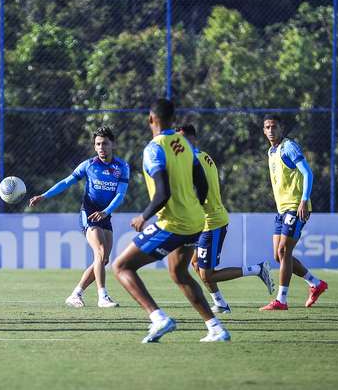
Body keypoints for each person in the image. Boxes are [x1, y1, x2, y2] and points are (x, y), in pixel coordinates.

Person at [113, 99, 230, 343]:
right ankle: (216, 328)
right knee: (179, 273)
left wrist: (143, 216)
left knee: (121, 267)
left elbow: (162, 192)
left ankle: (158, 318)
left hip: (173, 224)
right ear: (173, 119)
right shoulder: (185, 145)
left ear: (150, 119)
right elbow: (202, 182)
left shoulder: (154, 148)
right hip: (197, 221)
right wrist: (192, 205)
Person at [176, 124, 274, 313]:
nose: (178, 144)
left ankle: (257, 269)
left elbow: (194, 192)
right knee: (196, 264)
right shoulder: (203, 156)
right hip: (204, 221)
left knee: (208, 275)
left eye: (182, 139)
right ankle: (220, 303)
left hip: (211, 222)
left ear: (192, 139)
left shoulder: (192, 161)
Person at [29, 126, 129, 309]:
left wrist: (106, 212)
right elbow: (66, 182)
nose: (101, 147)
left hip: (105, 214)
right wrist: (44, 196)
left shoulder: (122, 167)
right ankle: (102, 296)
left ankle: (76, 294)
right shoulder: (88, 165)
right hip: (89, 213)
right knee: (99, 253)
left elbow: (120, 195)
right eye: (98, 144)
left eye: (105, 143)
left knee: (103, 259)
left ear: (112, 144)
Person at [260, 114, 328, 310]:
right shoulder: (271, 152)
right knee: (278, 255)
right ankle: (316, 283)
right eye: (267, 127)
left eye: (274, 126)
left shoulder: (288, 147)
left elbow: (308, 173)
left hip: (295, 206)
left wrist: (304, 201)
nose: (271, 130)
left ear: (282, 128)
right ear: (264, 131)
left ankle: (281, 300)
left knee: (284, 251)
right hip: (282, 210)